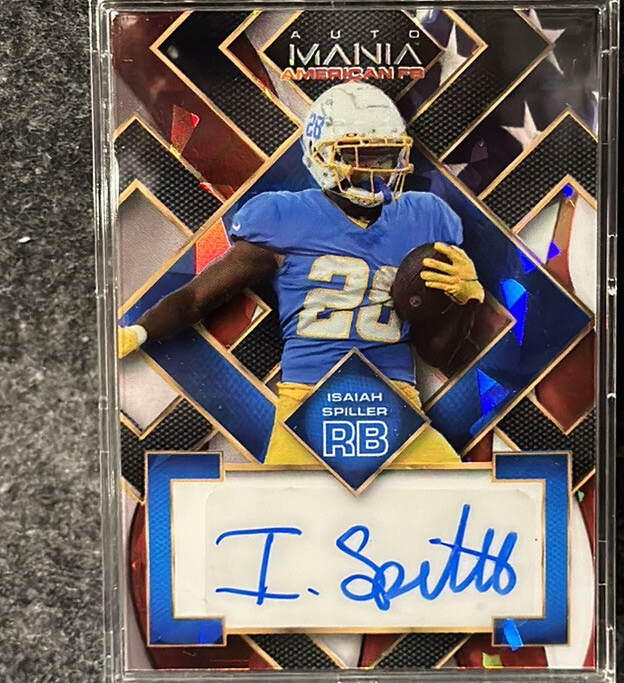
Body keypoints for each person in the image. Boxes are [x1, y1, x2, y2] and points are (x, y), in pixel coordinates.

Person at [118, 82, 484, 467]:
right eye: (360, 156)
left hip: (393, 404)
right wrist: (139, 331)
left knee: (460, 491)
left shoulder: (424, 217)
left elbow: (435, 352)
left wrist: (469, 296)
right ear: (320, 155)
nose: (375, 171)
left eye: (385, 157)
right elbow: (197, 297)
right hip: (307, 404)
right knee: (282, 501)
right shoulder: (285, 218)